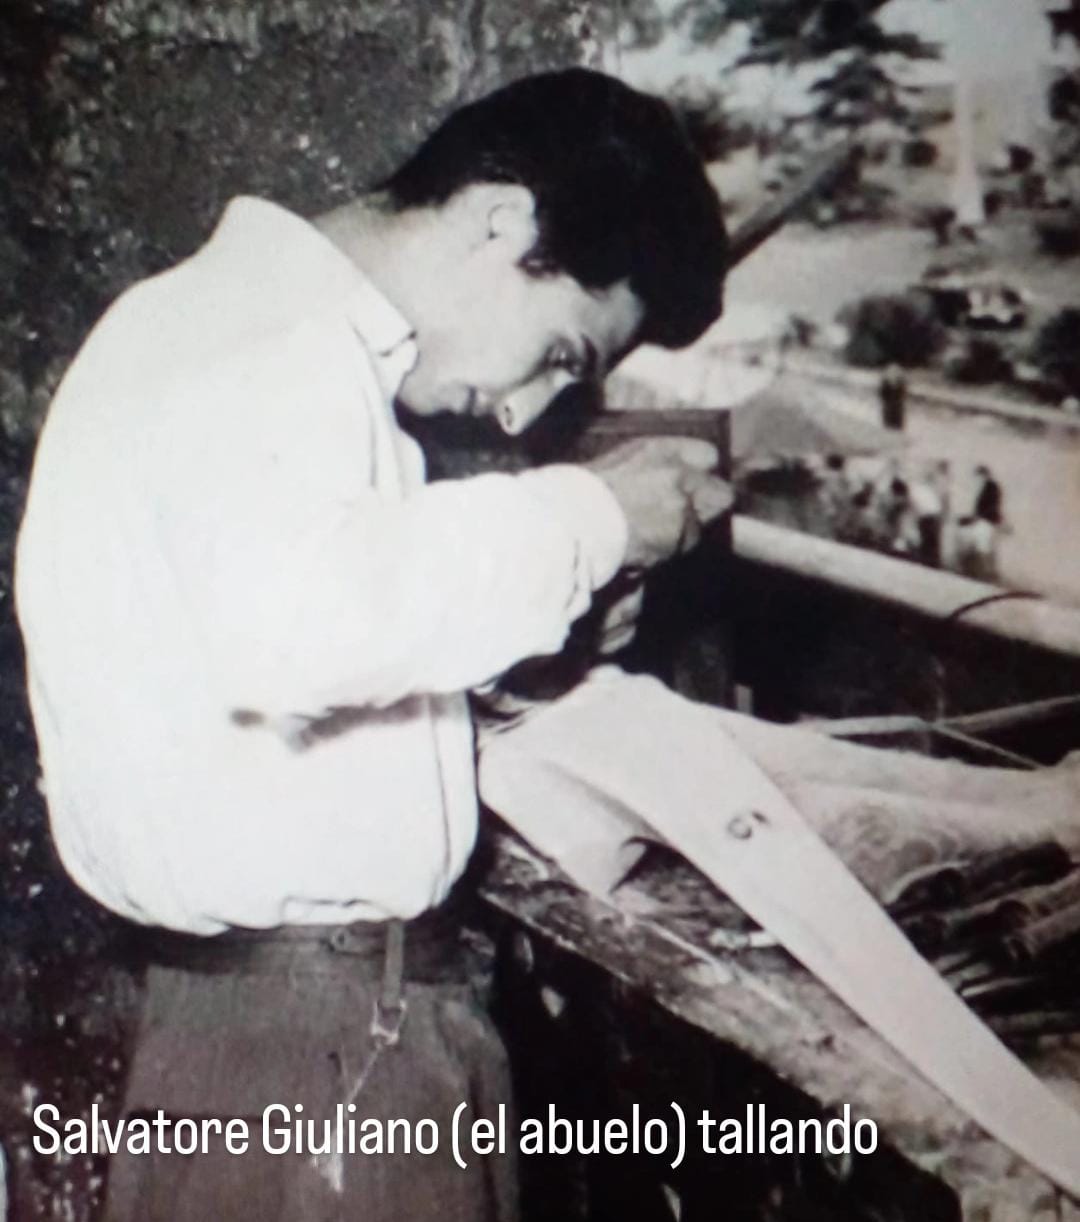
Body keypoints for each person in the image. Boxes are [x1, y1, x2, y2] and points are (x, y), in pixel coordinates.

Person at [14, 69, 731, 1221]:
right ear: (502, 221)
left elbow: (258, 674)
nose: (524, 409)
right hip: (324, 1051)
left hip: (281, 1034)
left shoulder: (219, 330)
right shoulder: (268, 346)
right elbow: (296, 627)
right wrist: (593, 516)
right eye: (563, 351)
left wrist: (522, 650)